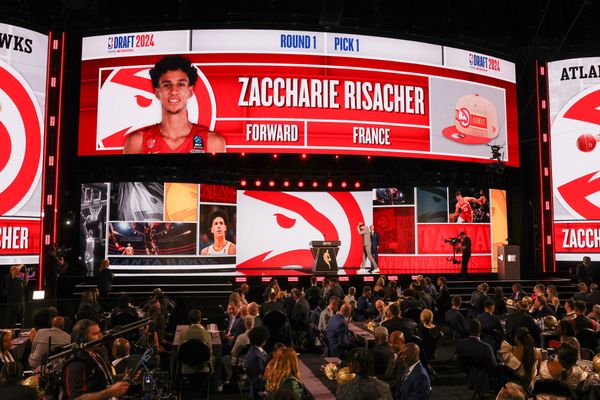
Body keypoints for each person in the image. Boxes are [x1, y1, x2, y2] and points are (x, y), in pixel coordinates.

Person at [123, 55, 226, 154]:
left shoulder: (212, 142)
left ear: (190, 91)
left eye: (181, 84)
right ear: (157, 92)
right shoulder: (137, 142)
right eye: (167, 85)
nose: (173, 91)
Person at [62, 319, 131, 399]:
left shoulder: (97, 353)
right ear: (82, 339)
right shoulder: (76, 363)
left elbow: (105, 380)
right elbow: (77, 398)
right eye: (95, 334)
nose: (101, 336)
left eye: (100, 332)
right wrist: (110, 392)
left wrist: (123, 376)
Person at [244, 327, 269, 398]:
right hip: (259, 393)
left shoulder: (252, 350)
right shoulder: (257, 357)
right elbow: (260, 380)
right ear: (264, 340)